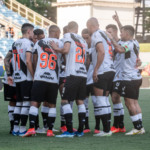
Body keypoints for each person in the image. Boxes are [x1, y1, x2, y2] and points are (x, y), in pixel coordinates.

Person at [23, 25, 63, 137]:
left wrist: (35, 73)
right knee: (52, 104)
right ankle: (49, 130)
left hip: (40, 77)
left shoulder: (39, 43)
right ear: (57, 32)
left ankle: (31, 128)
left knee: (35, 102)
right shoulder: (60, 44)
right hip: (53, 79)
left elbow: (34, 59)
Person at [51, 21, 88, 137]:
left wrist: (56, 48)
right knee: (80, 100)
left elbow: (66, 50)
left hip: (72, 73)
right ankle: (81, 130)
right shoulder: (83, 40)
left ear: (68, 29)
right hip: (83, 74)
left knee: (64, 100)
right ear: (77, 29)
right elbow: (86, 59)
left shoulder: (68, 36)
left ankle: (70, 131)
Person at [107, 25, 145, 135]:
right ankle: (140, 127)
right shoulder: (135, 42)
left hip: (129, 78)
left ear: (127, 34)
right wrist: (118, 21)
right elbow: (128, 31)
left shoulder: (129, 44)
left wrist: (111, 38)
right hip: (135, 76)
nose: (120, 34)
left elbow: (120, 49)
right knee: (134, 102)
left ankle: (137, 128)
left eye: (122, 32)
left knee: (129, 103)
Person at [86, 17, 115, 136]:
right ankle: (107, 129)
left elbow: (101, 51)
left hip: (103, 70)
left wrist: (96, 69)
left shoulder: (96, 35)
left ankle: (106, 130)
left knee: (100, 100)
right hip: (111, 69)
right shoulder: (105, 34)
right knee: (105, 100)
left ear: (89, 26)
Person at [4, 23, 34, 136]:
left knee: (19, 103)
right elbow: (27, 61)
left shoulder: (15, 43)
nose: (32, 34)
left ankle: (16, 128)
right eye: (32, 32)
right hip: (26, 77)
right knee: (26, 103)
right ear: (29, 31)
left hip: (17, 77)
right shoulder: (29, 43)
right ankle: (22, 129)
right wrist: (33, 75)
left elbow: (8, 59)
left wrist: (10, 74)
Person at [106, 24, 126, 133]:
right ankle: (120, 126)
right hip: (111, 75)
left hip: (120, 75)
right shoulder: (109, 44)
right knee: (114, 100)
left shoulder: (122, 42)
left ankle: (117, 125)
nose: (108, 34)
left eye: (110, 32)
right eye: (107, 32)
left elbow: (126, 31)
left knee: (115, 98)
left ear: (115, 31)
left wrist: (118, 21)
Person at [81, 28, 100, 134]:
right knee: (84, 104)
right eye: (83, 38)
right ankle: (86, 126)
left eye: (87, 38)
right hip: (83, 80)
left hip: (93, 80)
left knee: (96, 103)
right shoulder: (80, 49)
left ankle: (97, 127)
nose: (85, 40)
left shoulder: (95, 48)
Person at [2, 60, 16, 134]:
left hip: (19, 78)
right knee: (13, 102)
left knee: (20, 102)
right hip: (11, 79)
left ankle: (15, 126)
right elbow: (6, 60)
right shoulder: (13, 50)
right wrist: (9, 74)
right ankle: (13, 126)